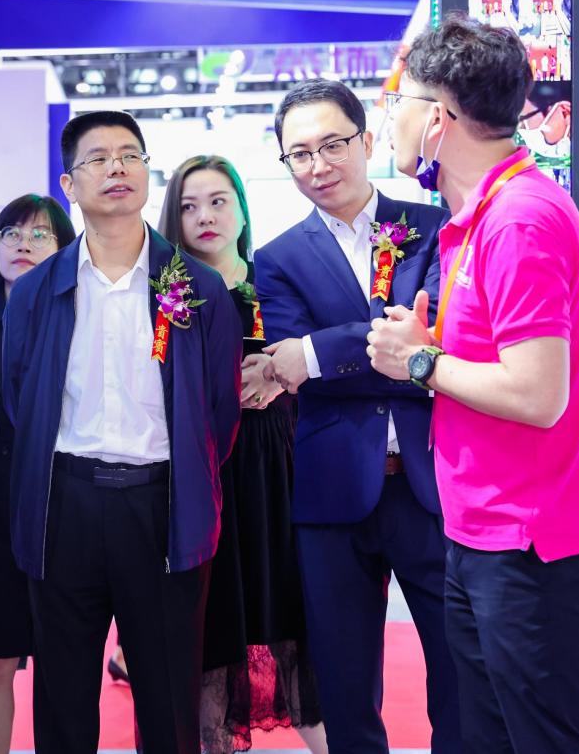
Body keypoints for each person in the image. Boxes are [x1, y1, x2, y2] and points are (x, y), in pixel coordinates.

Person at [367, 13, 579, 753]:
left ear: (438, 119)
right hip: (488, 532)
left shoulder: (518, 220)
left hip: (535, 543)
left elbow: (537, 394)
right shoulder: (482, 214)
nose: (390, 118)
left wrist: (419, 362)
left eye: (399, 100)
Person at [2, 110, 241, 754]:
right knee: (63, 699)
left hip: (163, 506)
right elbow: (22, 400)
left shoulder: (199, 287)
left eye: (130, 155)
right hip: (64, 505)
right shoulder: (37, 291)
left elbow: (219, 412)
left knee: (168, 702)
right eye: (99, 158)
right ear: (69, 184)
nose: (117, 168)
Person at [255, 79, 461, 753]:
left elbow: (436, 337)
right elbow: (291, 366)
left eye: (332, 144)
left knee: (460, 671)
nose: (318, 165)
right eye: (300, 154)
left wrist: (318, 352)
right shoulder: (276, 260)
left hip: (431, 487)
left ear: (366, 141)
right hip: (332, 491)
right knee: (344, 685)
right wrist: (395, 354)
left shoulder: (433, 226)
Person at [157, 155, 327, 754]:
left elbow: (322, 364)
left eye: (218, 201)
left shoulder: (274, 281)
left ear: (241, 210)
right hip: (205, 476)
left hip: (281, 473)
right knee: (213, 631)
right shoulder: (167, 295)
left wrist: (281, 377)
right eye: (189, 206)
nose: (205, 216)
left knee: (294, 620)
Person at [0, 194, 75, 754]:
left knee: (66, 657)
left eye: (39, 235)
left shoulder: (79, 317)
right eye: (10, 233)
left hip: (66, 507)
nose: (22, 244)